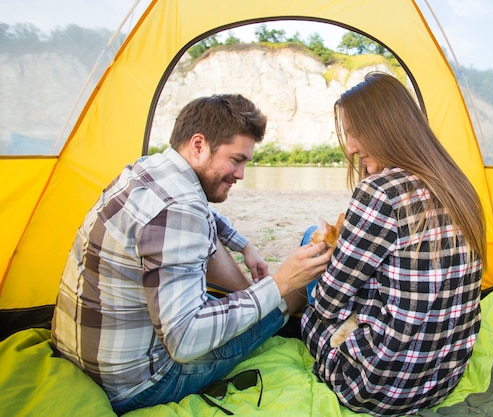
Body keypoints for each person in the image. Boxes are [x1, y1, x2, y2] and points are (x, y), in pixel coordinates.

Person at [51, 94, 332, 415]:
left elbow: (206, 216)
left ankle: (264, 299)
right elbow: (184, 343)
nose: (241, 174)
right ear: (198, 144)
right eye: (236, 160)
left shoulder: (149, 170)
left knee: (242, 289)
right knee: (283, 297)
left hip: (82, 352)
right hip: (137, 383)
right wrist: (280, 283)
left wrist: (244, 245)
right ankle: (284, 311)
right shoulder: (180, 212)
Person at [301, 73, 487, 416]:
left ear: (383, 129)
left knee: (311, 298)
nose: (352, 147)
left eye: (355, 133)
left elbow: (328, 303)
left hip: (378, 386)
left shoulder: (379, 191)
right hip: (443, 379)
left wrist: (318, 288)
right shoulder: (459, 185)